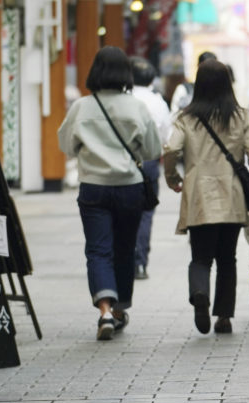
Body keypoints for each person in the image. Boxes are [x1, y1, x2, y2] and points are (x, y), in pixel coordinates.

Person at [58, 46, 162, 340]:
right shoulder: (137, 107)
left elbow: (66, 146)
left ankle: (104, 311)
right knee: (124, 249)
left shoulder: (81, 107)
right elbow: (153, 149)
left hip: (93, 187)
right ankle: (119, 310)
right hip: (129, 187)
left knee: (98, 249)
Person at [163, 60, 249, 335]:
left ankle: (200, 292)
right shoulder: (241, 116)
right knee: (227, 258)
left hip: (199, 195)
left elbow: (171, 149)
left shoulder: (185, 118)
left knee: (200, 257)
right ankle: (224, 317)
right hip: (232, 194)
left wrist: (172, 179)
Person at [129, 56, 172, 280]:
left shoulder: (123, 99)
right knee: (146, 213)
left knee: (124, 213)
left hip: (123, 162)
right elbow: (167, 136)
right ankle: (141, 263)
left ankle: (124, 259)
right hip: (149, 161)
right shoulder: (158, 102)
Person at [170, 51, 217, 115]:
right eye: (205, 68)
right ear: (198, 66)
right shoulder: (183, 89)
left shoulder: (220, 91)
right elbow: (174, 116)